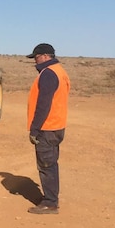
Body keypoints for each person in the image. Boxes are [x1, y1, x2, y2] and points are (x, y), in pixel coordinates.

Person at [26, 43, 71, 214]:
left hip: (48, 128)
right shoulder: (59, 71)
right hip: (57, 126)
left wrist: (34, 129)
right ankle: (51, 198)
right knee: (50, 164)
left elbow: (43, 105)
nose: (35, 62)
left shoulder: (49, 74)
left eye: (36, 58)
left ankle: (50, 203)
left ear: (45, 56)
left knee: (46, 165)